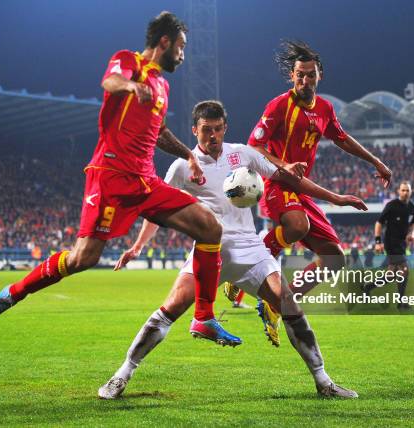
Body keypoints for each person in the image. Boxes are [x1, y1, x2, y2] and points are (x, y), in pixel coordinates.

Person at [0, 12, 240, 345]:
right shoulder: (127, 61)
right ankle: (14, 292)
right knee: (82, 258)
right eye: (181, 46)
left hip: (145, 181)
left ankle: (204, 318)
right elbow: (110, 83)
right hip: (111, 177)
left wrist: (188, 154)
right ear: (165, 42)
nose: (183, 54)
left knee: (210, 227)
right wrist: (132, 85)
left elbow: (159, 133)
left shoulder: (162, 84)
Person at [98, 100, 366, 399]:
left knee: (289, 306)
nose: (211, 136)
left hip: (252, 250)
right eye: (204, 130)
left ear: (225, 128)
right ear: (194, 130)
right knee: (170, 309)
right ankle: (121, 375)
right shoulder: (181, 168)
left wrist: (336, 198)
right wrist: (136, 247)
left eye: (216, 129)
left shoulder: (243, 154)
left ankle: (323, 382)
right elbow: (157, 210)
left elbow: (290, 179)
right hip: (210, 253)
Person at [248, 40, 392, 297]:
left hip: (301, 188)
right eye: (300, 75)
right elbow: (254, 145)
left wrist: (376, 162)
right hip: (278, 182)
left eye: (310, 75)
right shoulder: (279, 105)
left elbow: (342, 138)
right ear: (292, 75)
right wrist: (284, 165)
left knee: (335, 259)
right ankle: (253, 257)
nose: (305, 81)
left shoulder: (325, 109)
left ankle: (281, 304)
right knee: (297, 225)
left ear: (319, 76)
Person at [363, 181, 414, 309]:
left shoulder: (411, 207)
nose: (405, 193)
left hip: (402, 244)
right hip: (391, 243)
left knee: (391, 275)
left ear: (411, 192)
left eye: (407, 190)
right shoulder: (392, 206)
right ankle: (401, 302)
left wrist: (412, 233)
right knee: (404, 270)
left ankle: (368, 287)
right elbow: (379, 223)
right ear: (399, 191)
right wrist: (378, 241)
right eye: (403, 190)